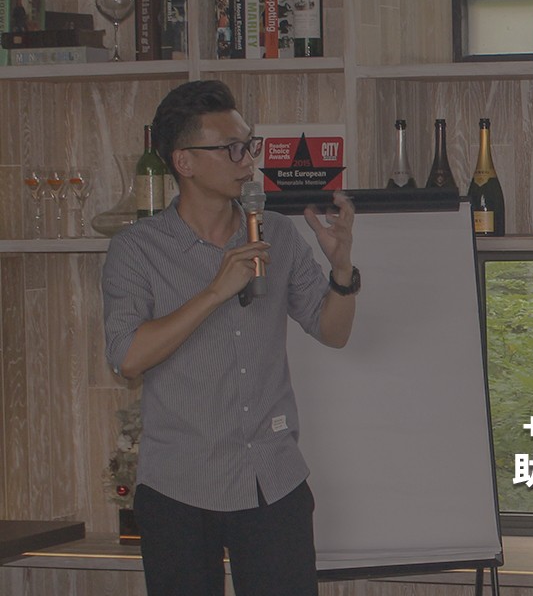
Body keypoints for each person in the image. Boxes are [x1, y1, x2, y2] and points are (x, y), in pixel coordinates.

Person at [102, 79, 358, 596]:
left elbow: (333, 332)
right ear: (184, 162)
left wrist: (342, 269)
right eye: (232, 149)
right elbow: (127, 357)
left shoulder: (276, 233)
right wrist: (215, 292)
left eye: (250, 145)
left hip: (271, 479)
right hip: (179, 486)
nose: (248, 160)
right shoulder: (137, 249)